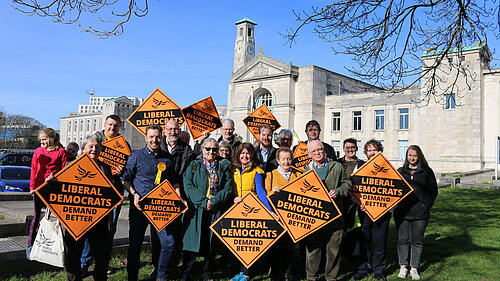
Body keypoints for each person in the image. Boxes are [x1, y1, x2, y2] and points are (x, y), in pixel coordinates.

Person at [122, 125, 180, 281]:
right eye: (151, 137)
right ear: (146, 138)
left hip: (160, 209)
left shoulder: (168, 158)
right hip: (139, 208)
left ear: (161, 137)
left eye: (157, 137)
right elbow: (125, 179)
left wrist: (179, 199)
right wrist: (133, 194)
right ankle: (132, 277)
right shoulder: (136, 157)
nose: (155, 140)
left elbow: (174, 182)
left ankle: (162, 276)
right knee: (135, 245)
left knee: (168, 243)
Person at [180, 138, 233, 281]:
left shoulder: (223, 166)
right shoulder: (194, 165)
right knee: (192, 242)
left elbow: (227, 189)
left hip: (215, 210)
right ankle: (186, 272)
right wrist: (204, 202)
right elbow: (188, 185)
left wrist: (214, 201)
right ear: (202, 149)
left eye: (214, 149)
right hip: (197, 210)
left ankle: (207, 272)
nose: (211, 152)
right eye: (208, 149)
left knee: (211, 243)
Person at [62, 136, 113, 281]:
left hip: (100, 222)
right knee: (73, 256)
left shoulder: (106, 167)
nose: (94, 149)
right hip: (75, 220)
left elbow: (111, 192)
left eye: (97, 147)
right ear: (83, 149)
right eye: (91, 146)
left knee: (102, 256)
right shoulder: (69, 165)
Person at [149, 119, 194, 278]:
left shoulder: (186, 149)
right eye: (170, 129)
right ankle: (156, 266)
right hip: (157, 197)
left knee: (174, 233)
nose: (173, 132)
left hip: (177, 196)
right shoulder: (157, 147)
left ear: (179, 131)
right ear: (165, 130)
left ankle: (171, 265)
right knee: (156, 235)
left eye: (176, 129)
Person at [82, 114, 128, 274]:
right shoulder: (95, 140)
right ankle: (84, 263)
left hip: (114, 193)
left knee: (109, 230)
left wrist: (121, 171)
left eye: (115, 126)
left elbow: (127, 171)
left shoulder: (124, 144)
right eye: (110, 125)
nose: (112, 128)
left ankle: (103, 263)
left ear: (119, 127)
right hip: (94, 194)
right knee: (89, 227)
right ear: (104, 124)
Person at [303, 140, 351, 281]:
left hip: (335, 216)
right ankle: (312, 277)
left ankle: (331, 277)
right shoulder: (306, 171)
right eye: (314, 151)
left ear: (324, 150)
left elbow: (347, 184)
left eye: (319, 149)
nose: (317, 152)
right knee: (313, 250)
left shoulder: (336, 167)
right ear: (309, 154)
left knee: (334, 249)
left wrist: (337, 191)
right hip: (314, 218)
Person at [395, 145, 438, 281]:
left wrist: (425, 206)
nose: (412, 158)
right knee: (402, 240)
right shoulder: (400, 171)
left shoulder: (427, 171)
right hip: (402, 212)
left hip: (420, 213)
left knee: (416, 241)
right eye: (409, 155)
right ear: (406, 156)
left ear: (419, 156)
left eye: (414, 155)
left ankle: (414, 268)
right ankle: (403, 266)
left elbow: (433, 192)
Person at [351, 139, 390, 281]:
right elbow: (353, 188)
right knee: (363, 240)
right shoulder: (359, 167)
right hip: (364, 211)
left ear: (380, 151)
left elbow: (393, 191)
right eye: (369, 150)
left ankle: (379, 270)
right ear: (366, 153)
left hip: (382, 212)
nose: (372, 153)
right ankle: (363, 267)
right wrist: (358, 202)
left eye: (375, 150)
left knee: (380, 241)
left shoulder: (387, 168)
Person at [230, 142, 269, 281]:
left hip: (250, 211)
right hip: (234, 209)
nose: (245, 156)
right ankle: (239, 271)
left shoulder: (257, 171)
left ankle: (246, 273)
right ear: (238, 155)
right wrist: (234, 199)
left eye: (247, 153)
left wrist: (269, 211)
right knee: (236, 242)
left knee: (246, 243)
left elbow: (261, 192)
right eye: (242, 153)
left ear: (252, 155)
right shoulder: (232, 169)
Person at [28, 128, 67, 254]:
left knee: (54, 216)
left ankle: (53, 244)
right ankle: (31, 244)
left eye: (44, 139)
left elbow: (64, 170)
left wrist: (54, 175)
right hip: (39, 187)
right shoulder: (38, 151)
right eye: (40, 140)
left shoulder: (61, 151)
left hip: (54, 188)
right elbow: (34, 169)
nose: (42, 142)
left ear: (52, 139)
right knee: (36, 214)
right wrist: (32, 187)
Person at [264, 147, 301, 281]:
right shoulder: (271, 175)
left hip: (292, 219)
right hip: (277, 218)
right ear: (278, 160)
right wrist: (272, 192)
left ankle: (288, 274)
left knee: (290, 249)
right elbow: (265, 197)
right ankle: (275, 275)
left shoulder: (298, 175)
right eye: (283, 159)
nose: (286, 162)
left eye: (289, 158)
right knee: (275, 249)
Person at [337, 139, 365, 262]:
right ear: (343, 149)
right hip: (340, 200)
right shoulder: (337, 163)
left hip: (356, 202)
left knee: (355, 229)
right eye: (347, 147)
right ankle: (341, 255)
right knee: (340, 230)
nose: (350, 150)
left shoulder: (362, 165)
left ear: (356, 148)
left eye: (352, 147)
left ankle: (354, 256)